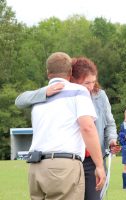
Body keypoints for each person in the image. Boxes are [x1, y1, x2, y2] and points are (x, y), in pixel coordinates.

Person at [15, 56, 119, 200]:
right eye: (86, 82)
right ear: (71, 77)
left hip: (85, 160)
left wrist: (111, 140)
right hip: (69, 162)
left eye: (93, 82)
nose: (90, 87)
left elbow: (109, 123)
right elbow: (87, 127)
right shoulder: (70, 92)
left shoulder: (99, 96)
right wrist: (44, 92)